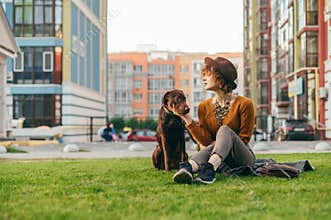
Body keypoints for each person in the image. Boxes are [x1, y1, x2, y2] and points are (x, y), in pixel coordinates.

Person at [171, 57, 255, 184]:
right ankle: (189, 168)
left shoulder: (245, 104)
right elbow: (205, 140)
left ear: (221, 78)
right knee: (212, 145)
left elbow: (244, 139)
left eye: (207, 75)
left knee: (224, 130)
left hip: (241, 158)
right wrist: (186, 117)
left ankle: (209, 169)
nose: (203, 78)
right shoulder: (203, 107)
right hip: (214, 155)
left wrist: (218, 142)